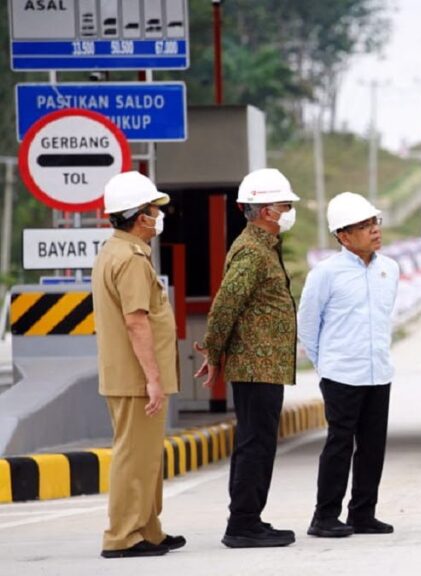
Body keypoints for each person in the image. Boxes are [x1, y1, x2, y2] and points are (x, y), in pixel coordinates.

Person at [194, 168, 300, 548]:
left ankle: (248, 518)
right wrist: (213, 350)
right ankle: (242, 523)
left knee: (258, 441)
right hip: (255, 366)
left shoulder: (262, 248)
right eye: (286, 205)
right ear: (268, 211)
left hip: (265, 365)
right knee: (255, 443)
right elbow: (225, 305)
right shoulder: (253, 251)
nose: (290, 212)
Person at [92, 171, 184, 558]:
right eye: (153, 210)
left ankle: (148, 529)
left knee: (146, 457)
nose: (158, 217)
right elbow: (136, 320)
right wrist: (152, 378)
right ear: (137, 216)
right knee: (134, 456)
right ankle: (123, 536)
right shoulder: (129, 260)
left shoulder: (116, 251)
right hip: (135, 377)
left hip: (130, 376)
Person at [298, 192, 400, 538]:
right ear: (343, 235)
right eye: (364, 225)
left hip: (378, 371)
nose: (374, 230)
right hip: (341, 373)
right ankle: (324, 516)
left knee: (373, 446)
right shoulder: (325, 274)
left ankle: (363, 513)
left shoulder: (390, 269)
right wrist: (325, 364)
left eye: (375, 222)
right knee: (339, 445)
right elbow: (308, 324)